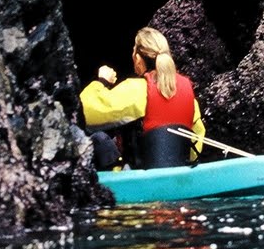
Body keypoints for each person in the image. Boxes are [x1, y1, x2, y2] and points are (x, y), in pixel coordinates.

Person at [79, 27, 206, 169]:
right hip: (179, 175)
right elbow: (196, 142)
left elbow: (84, 112)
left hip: (139, 179)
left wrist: (102, 81)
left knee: (98, 139)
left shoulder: (136, 89)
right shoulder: (188, 93)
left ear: (138, 58)